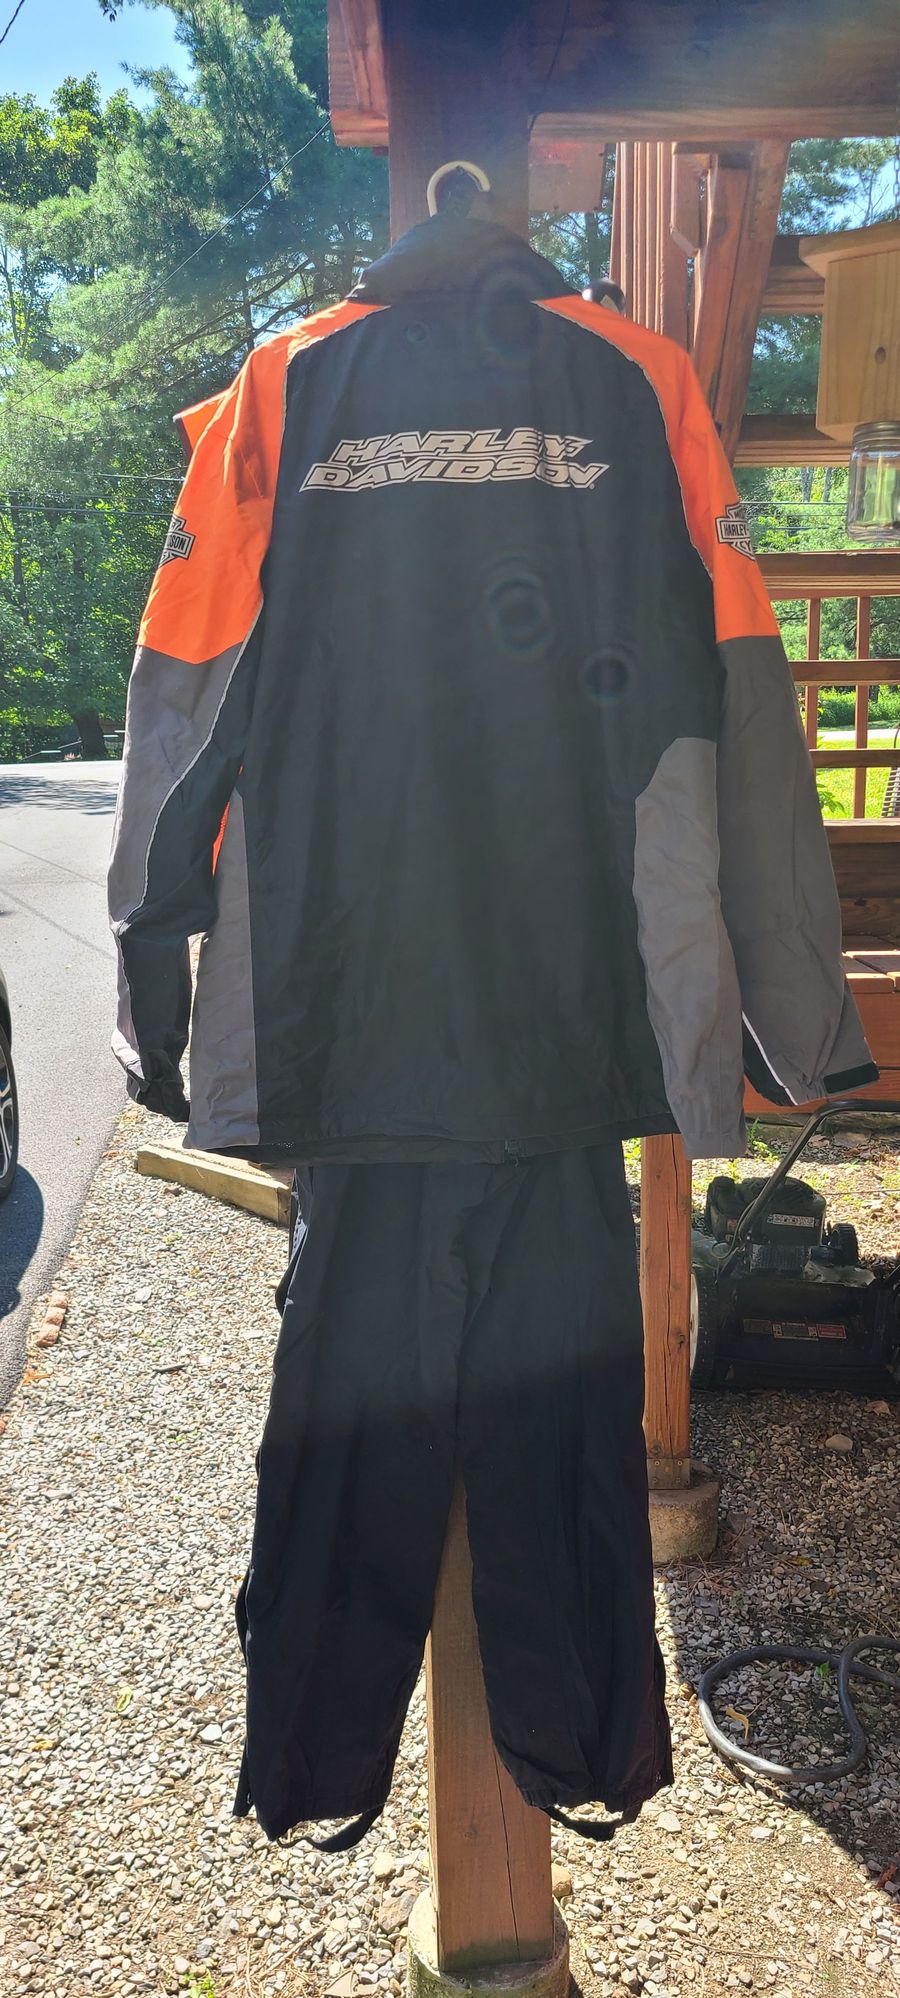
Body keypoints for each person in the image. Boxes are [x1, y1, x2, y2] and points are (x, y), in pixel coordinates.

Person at [108, 175, 877, 1849]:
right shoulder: (641, 380)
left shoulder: (282, 384)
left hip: (345, 1000)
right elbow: (745, 692)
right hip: (573, 1005)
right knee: (562, 1403)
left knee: (345, 1401)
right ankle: (585, 1747)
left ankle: (313, 1772)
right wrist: (793, 1008)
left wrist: (150, 967)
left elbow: (183, 693)